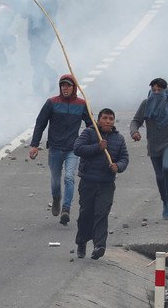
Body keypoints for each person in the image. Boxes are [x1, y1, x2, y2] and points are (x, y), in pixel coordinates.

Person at [29, 74, 91, 225]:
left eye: (68, 85)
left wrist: (95, 142)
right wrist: (34, 145)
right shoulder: (52, 103)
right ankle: (56, 198)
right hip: (55, 148)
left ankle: (66, 209)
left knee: (69, 178)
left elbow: (90, 125)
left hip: (72, 149)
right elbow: (40, 124)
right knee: (56, 181)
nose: (65, 88)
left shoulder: (81, 104)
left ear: (74, 87)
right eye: (63, 85)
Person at [130, 78, 168, 220]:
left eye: (160, 90)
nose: (156, 93)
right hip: (153, 144)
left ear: (165, 90)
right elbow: (136, 121)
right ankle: (165, 202)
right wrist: (134, 132)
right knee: (159, 176)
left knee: (166, 168)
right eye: (154, 90)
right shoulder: (146, 104)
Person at [72, 108, 129, 260]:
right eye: (105, 118)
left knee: (102, 213)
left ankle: (99, 245)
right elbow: (77, 148)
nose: (108, 121)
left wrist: (118, 166)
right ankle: (82, 241)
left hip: (106, 183)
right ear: (98, 120)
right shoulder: (90, 133)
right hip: (88, 181)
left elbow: (124, 158)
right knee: (86, 214)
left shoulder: (119, 138)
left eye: (111, 118)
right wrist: (97, 147)